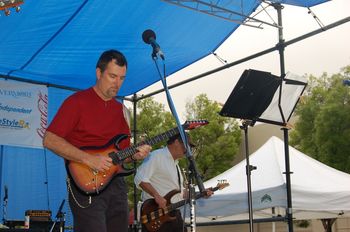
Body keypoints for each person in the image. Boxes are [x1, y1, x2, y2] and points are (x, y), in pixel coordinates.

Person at [43, 49, 151, 232]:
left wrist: (134, 155)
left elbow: (121, 155)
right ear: (98, 73)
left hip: (116, 187)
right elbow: (50, 140)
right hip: (87, 186)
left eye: (122, 78)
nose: (117, 83)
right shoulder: (76, 102)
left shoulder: (121, 111)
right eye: (112, 76)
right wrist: (88, 159)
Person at [134, 133, 212, 232]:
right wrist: (157, 197)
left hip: (174, 214)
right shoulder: (157, 155)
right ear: (176, 142)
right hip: (157, 214)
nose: (188, 149)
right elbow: (140, 178)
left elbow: (180, 194)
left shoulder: (176, 165)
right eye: (186, 145)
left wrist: (200, 193)